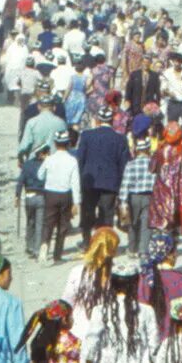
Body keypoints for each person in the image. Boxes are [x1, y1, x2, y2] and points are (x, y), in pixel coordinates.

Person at [75, 107, 130, 250]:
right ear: (112, 121)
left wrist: (79, 181)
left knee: (87, 212)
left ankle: (87, 242)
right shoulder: (120, 139)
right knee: (107, 214)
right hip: (110, 182)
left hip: (89, 181)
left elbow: (80, 160)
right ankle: (104, 244)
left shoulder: (87, 136)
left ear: (98, 120)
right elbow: (124, 165)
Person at [37, 129, 82, 263]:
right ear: (68, 143)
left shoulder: (49, 159)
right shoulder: (72, 160)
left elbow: (40, 176)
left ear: (55, 144)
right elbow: (75, 183)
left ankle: (44, 246)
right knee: (63, 225)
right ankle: (57, 255)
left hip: (50, 194)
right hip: (65, 195)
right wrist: (76, 202)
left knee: (48, 223)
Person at [148, 122, 182, 240]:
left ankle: (161, 247)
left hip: (161, 193)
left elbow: (151, 169)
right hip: (180, 193)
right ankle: (172, 251)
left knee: (161, 225)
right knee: (176, 226)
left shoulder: (159, 151)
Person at [15, 146, 48, 259]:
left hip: (29, 196)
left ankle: (29, 245)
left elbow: (20, 181)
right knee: (40, 224)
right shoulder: (45, 166)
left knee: (30, 222)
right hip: (42, 197)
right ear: (42, 154)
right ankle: (37, 249)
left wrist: (17, 195)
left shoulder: (27, 165)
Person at [161, 52, 182, 145]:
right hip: (173, 103)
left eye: (179, 62)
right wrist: (168, 92)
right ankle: (171, 143)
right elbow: (163, 89)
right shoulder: (167, 72)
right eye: (175, 61)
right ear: (172, 62)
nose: (177, 64)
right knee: (172, 126)